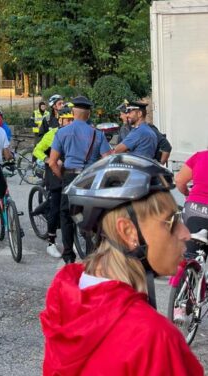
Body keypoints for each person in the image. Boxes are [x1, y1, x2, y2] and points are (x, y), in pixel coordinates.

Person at [41, 153, 203, 375]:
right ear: (128, 232)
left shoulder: (66, 303)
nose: (185, 233)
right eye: (172, 221)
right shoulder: (153, 338)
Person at [48, 96, 112, 264]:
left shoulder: (62, 132)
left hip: (70, 176)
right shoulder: (97, 134)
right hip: (91, 178)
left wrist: (63, 178)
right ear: (89, 113)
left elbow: (52, 162)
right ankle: (93, 253)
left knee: (66, 215)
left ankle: (68, 255)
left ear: (73, 112)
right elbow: (107, 159)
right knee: (91, 214)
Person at [32, 104, 74, 258]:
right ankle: (51, 242)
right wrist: (48, 159)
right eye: (67, 120)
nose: (70, 123)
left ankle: (70, 240)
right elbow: (37, 149)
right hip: (54, 172)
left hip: (69, 173)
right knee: (56, 208)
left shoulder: (74, 134)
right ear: (60, 120)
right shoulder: (52, 134)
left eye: (72, 120)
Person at [175, 149, 208, 256]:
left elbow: (179, 180)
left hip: (194, 208)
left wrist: (186, 194)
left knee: (189, 254)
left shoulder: (200, 156)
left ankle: (188, 268)